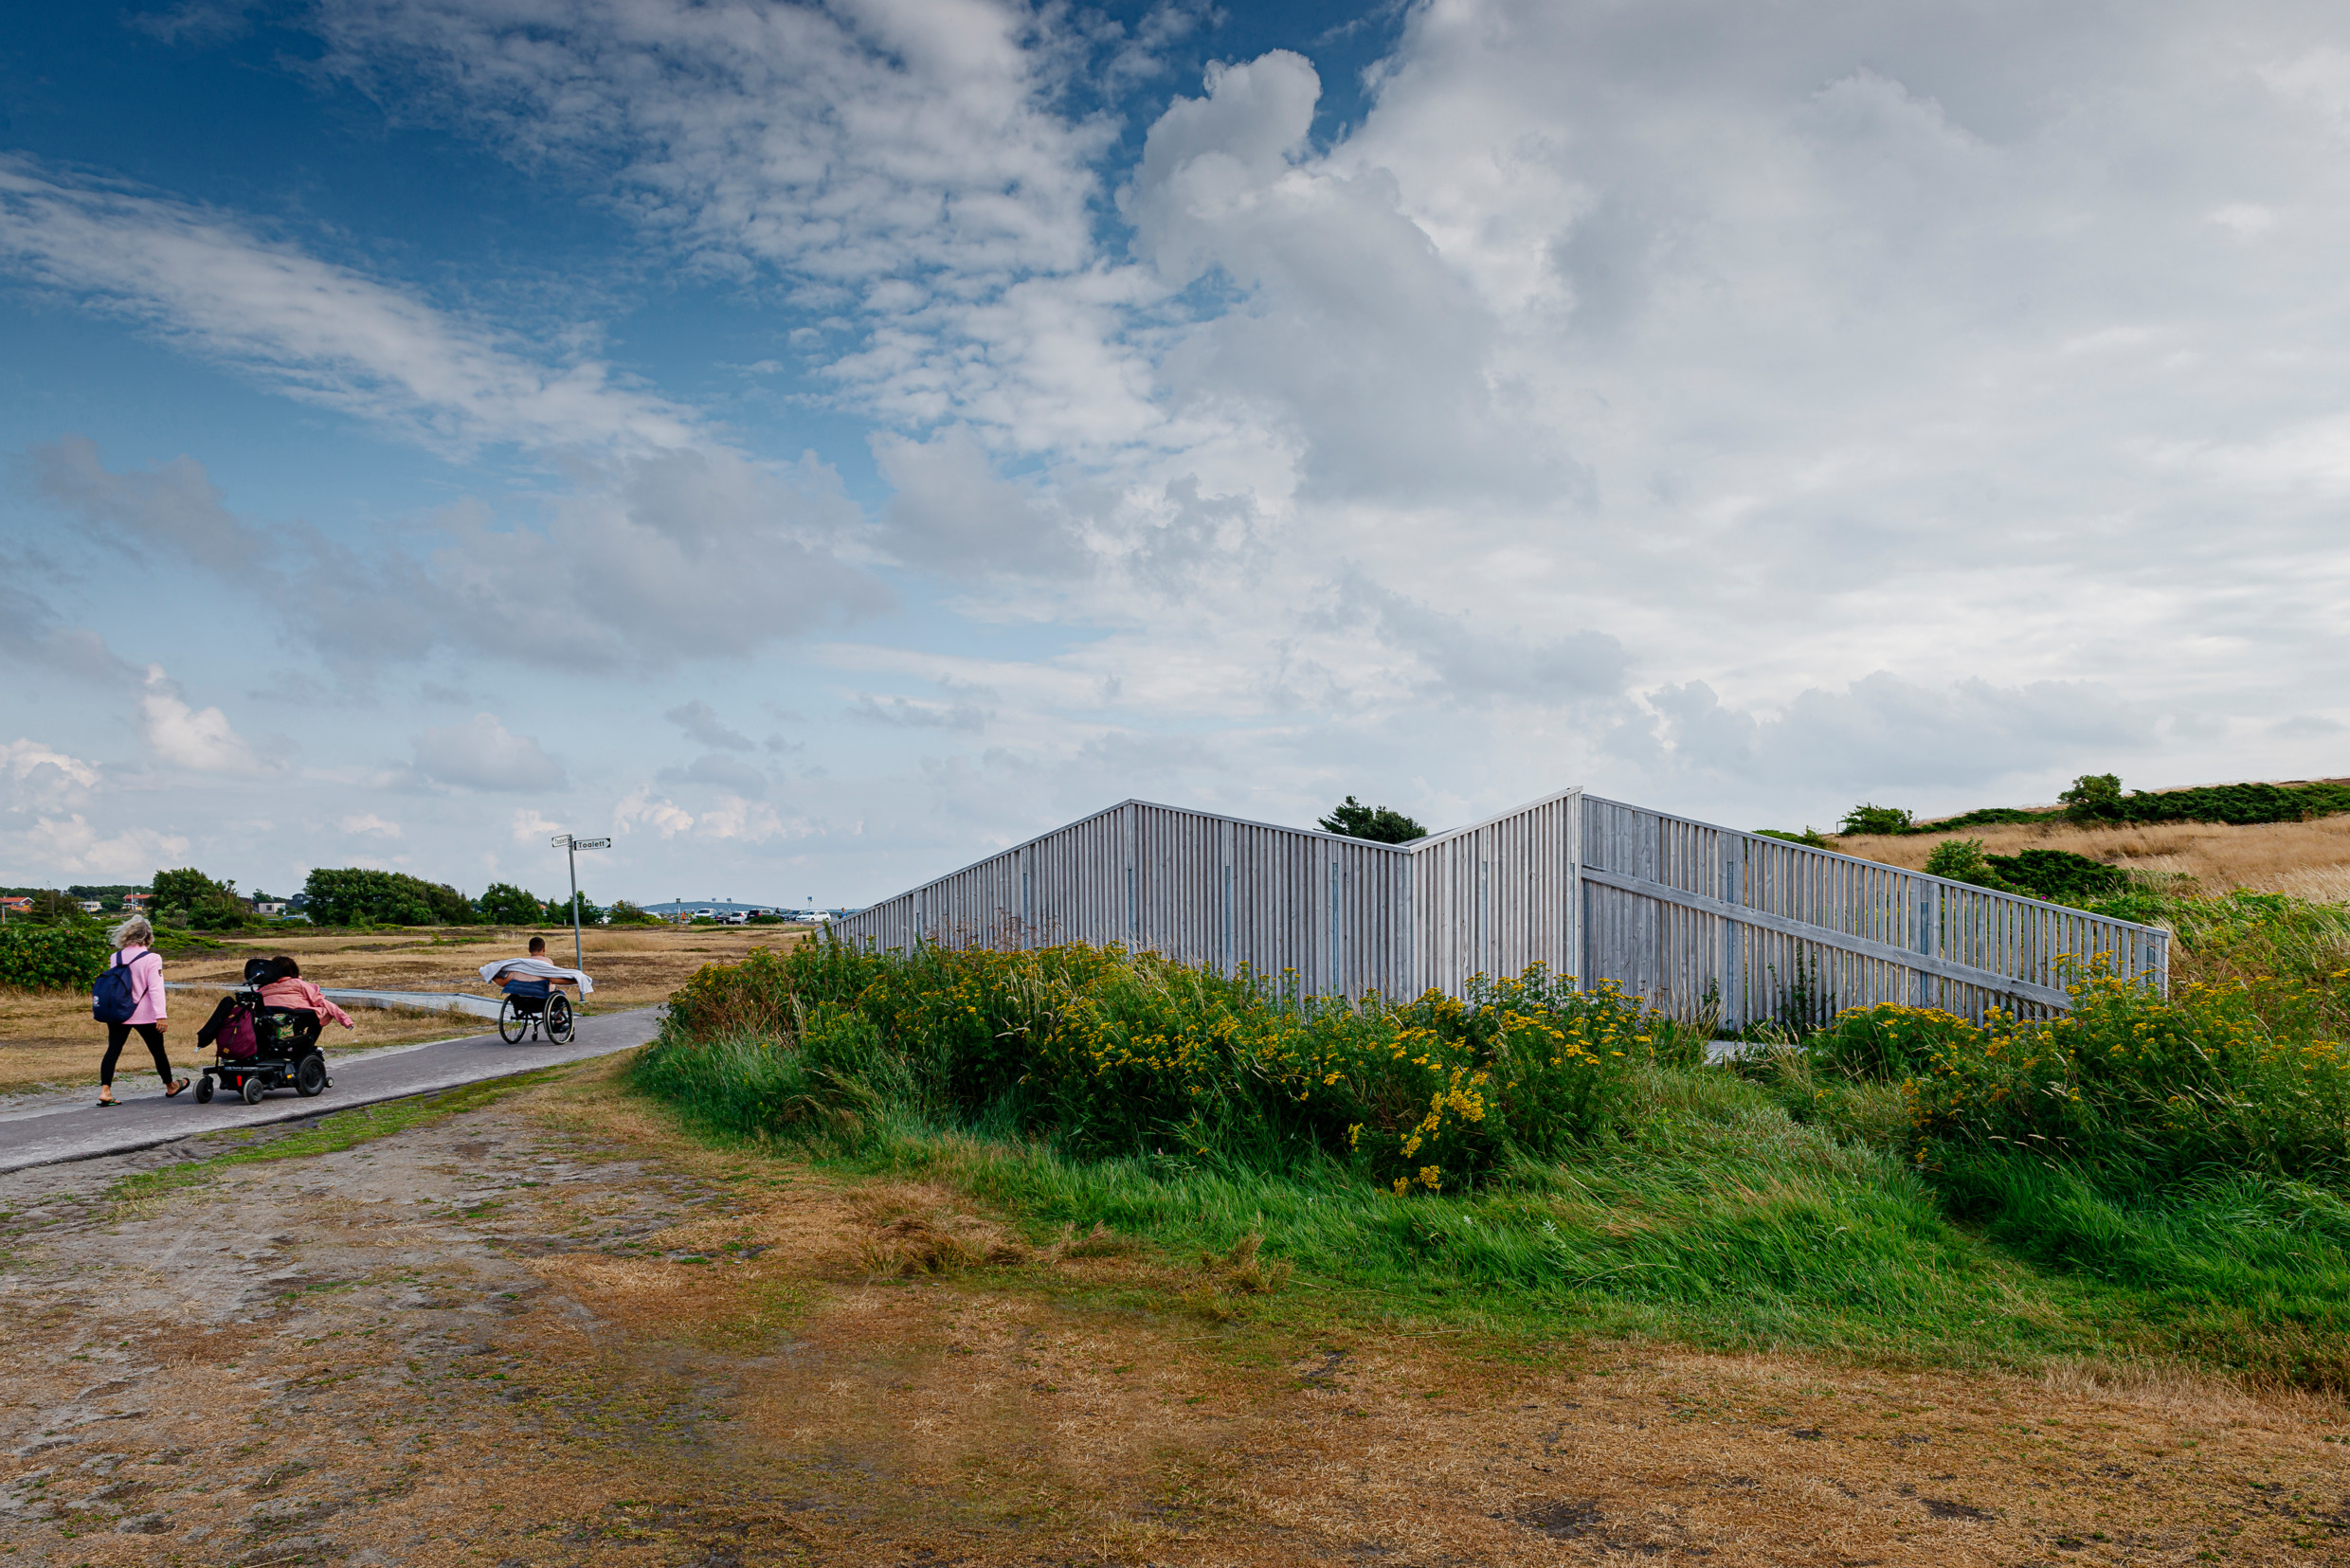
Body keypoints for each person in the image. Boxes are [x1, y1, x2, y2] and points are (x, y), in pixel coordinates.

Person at [97, 916, 187, 1107]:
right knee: (157, 1051)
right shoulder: (152, 958)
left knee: (113, 1050)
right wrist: (161, 1016)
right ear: (148, 937)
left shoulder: (116, 957)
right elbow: (155, 988)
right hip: (144, 1014)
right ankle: (170, 1086)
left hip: (119, 1012)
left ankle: (105, 1091)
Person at [256, 956, 357, 1034]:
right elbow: (320, 1001)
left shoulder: (263, 987)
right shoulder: (298, 983)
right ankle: (308, 1044)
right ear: (292, 971)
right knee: (321, 1012)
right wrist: (345, 1019)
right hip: (295, 1015)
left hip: (268, 1015)